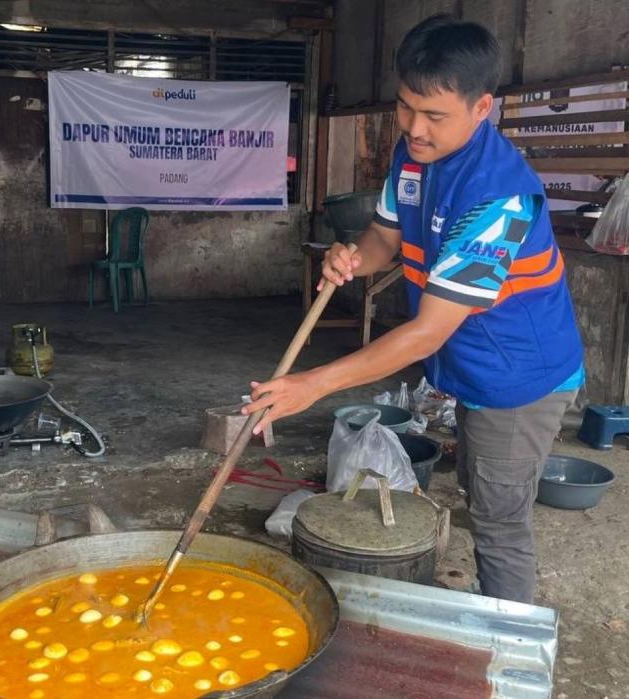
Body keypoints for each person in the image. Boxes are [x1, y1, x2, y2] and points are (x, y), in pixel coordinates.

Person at [243, 16, 584, 604]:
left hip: (518, 377)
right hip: (475, 363)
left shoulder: (497, 198)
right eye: (406, 108)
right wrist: (353, 258)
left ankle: (508, 655)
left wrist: (313, 385)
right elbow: (385, 234)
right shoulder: (412, 154)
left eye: (434, 116)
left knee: (499, 522)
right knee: (483, 495)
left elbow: (427, 332)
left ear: (482, 107)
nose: (415, 129)